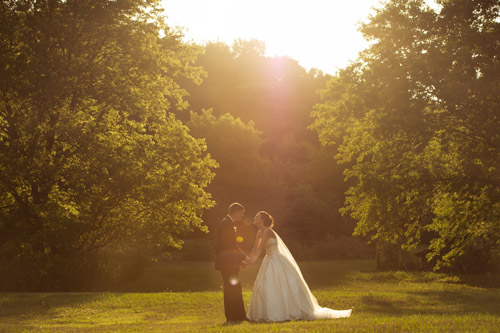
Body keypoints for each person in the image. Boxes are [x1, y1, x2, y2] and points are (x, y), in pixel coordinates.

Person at [245, 211, 352, 322]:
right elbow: (255, 248)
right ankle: (265, 313)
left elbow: (260, 248)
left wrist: (251, 261)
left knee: (278, 284)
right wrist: (249, 259)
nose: (254, 218)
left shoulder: (267, 231)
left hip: (276, 260)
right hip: (268, 259)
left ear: (262, 220)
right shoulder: (259, 232)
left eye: (256, 217)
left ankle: (283, 311)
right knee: (265, 285)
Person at [214, 202, 249, 323]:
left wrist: (240, 260)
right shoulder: (227, 223)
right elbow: (230, 244)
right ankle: (235, 316)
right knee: (233, 288)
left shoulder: (225, 222)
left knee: (232, 288)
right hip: (227, 262)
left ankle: (235, 316)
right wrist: (244, 257)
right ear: (236, 212)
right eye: (241, 213)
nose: (242, 216)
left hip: (227, 262)